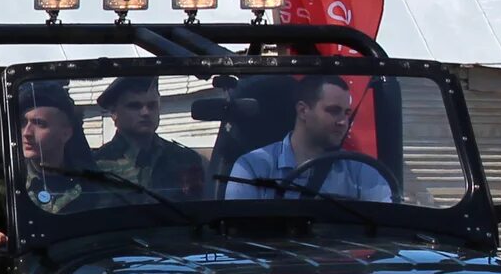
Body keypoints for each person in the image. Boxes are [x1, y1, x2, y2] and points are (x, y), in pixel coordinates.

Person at [225, 74, 393, 203]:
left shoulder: (361, 171)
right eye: (333, 111)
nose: (343, 122)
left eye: (347, 113)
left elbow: (387, 230)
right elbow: (238, 236)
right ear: (303, 111)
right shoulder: (252, 167)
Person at [91, 75, 208, 199]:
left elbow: (196, 210)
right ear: (114, 113)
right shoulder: (97, 164)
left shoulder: (185, 159)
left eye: (152, 105)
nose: (145, 112)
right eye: (135, 106)